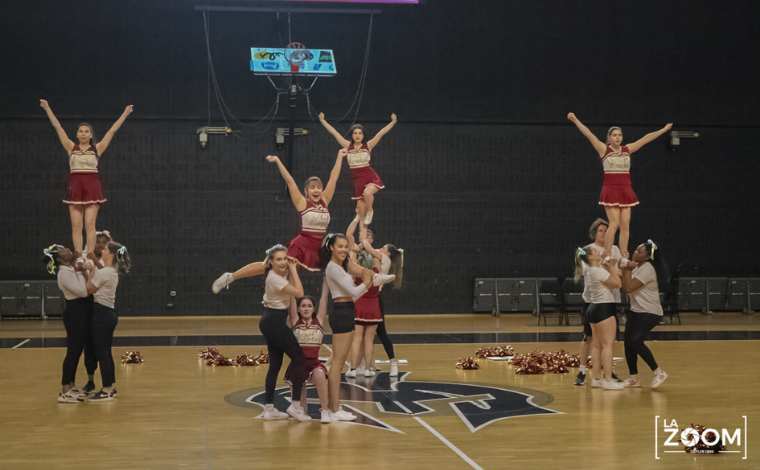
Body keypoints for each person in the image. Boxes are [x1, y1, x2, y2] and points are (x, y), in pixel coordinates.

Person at [211, 151, 393, 292]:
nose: (317, 189)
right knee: (267, 266)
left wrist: (339, 158)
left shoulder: (325, 200)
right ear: (306, 191)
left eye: (319, 187)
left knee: (343, 260)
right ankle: (230, 277)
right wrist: (278, 162)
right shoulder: (302, 202)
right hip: (303, 242)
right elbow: (290, 181)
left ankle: (372, 277)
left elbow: (333, 178)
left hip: (321, 244)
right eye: (312, 187)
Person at [567, 113, 672, 257]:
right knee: (614, 223)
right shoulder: (604, 150)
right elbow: (589, 134)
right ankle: (608, 252)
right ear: (609, 137)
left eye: (620, 135)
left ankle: (623, 252)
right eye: (615, 135)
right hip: (611, 189)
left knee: (625, 225)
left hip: (626, 189)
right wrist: (575, 120)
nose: (618, 137)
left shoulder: (627, 150)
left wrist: (663, 130)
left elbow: (645, 139)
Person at [40, 100, 133, 258]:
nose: (83, 134)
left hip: (92, 188)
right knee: (76, 226)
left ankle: (89, 255)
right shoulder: (71, 147)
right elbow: (58, 127)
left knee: (90, 225)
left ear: (91, 135)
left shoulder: (98, 148)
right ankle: (78, 256)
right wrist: (47, 108)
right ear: (77, 134)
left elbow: (112, 130)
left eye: (86, 131)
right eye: (80, 131)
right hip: (75, 188)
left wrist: (125, 113)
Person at [320, 234, 373, 421]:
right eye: (340, 246)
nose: (343, 250)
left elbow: (354, 294)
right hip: (341, 313)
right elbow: (353, 292)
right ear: (331, 248)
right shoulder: (332, 268)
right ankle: (332, 410)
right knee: (337, 364)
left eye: (345, 246)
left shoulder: (341, 267)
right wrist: (367, 283)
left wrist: (371, 280)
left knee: (338, 362)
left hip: (348, 311)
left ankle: (334, 408)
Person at [257, 245, 311, 422]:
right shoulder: (275, 278)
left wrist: (291, 266)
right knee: (299, 359)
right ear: (270, 262)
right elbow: (300, 293)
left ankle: (269, 408)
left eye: (284, 258)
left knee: (275, 364)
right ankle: (295, 406)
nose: (283, 262)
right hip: (273, 321)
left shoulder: (279, 275)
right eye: (278, 259)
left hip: (272, 320)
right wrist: (294, 269)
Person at [319, 113, 397, 225]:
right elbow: (334, 133)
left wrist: (393, 122)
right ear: (351, 135)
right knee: (361, 214)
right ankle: (361, 235)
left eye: (360, 133)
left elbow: (381, 133)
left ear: (363, 135)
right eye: (355, 133)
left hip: (370, 176)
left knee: (367, 193)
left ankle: (370, 211)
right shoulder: (348, 146)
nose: (357, 135)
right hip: (358, 179)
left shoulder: (368, 146)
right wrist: (323, 121)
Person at [574, 218, 622, 386]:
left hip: (609, 300)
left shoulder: (614, 249)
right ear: (595, 233)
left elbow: (620, 269)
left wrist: (625, 263)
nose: (604, 233)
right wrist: (608, 264)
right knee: (591, 339)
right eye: (601, 231)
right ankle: (582, 371)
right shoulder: (589, 251)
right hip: (594, 300)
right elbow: (598, 273)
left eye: (606, 231)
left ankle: (602, 374)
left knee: (603, 342)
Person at [43, 244, 93, 403]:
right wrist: (80, 272)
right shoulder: (64, 274)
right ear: (59, 258)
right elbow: (83, 292)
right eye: (63, 249)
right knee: (73, 351)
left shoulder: (70, 269)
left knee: (77, 351)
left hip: (81, 312)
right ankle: (65, 389)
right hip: (75, 313)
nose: (68, 249)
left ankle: (71, 386)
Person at [85, 241, 131, 401]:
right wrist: (96, 264)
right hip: (109, 313)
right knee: (106, 352)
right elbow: (102, 270)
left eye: (104, 249)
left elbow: (89, 289)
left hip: (101, 313)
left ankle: (106, 390)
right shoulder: (111, 271)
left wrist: (91, 270)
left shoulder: (104, 273)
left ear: (111, 254)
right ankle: (110, 386)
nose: (102, 250)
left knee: (102, 353)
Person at [620, 240, 669, 389]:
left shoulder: (647, 269)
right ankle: (633, 378)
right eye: (635, 249)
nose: (635, 252)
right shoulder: (636, 267)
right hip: (636, 310)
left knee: (635, 340)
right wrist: (626, 268)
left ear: (646, 257)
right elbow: (623, 289)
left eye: (639, 252)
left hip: (650, 312)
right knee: (627, 341)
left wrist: (626, 268)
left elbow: (628, 288)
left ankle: (658, 372)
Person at [285, 296, 330, 423]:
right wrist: (291, 280)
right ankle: (300, 411)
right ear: (298, 309)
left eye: (309, 306)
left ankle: (325, 411)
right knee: (301, 411)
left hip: (313, 365)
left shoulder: (319, 321)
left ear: (314, 309)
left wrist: (326, 281)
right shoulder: (295, 321)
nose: (306, 309)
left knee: (321, 374)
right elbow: (292, 299)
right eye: (303, 306)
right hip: (297, 367)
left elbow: (324, 300)